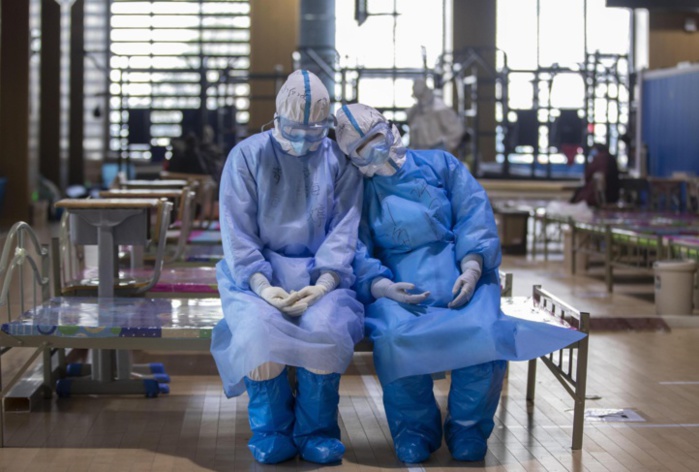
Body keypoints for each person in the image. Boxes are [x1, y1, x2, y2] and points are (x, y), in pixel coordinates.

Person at [335, 103, 588, 463]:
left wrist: (472, 266)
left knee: (485, 332)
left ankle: (468, 427)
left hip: (463, 274)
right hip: (399, 288)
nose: (375, 151)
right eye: (362, 150)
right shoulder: (360, 192)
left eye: (376, 138)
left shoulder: (441, 164)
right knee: (394, 339)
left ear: (389, 129)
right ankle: (414, 430)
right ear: (352, 159)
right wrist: (380, 286)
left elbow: (473, 211)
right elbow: (355, 245)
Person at [210, 70, 365, 465]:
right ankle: (271, 431)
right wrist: (261, 285)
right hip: (255, 276)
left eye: (314, 133)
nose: (302, 142)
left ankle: (317, 432)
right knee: (258, 334)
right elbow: (237, 230)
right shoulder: (247, 157)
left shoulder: (338, 161)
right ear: (277, 118)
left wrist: (326, 282)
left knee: (327, 330)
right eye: (294, 130)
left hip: (322, 277)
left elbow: (344, 229)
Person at [406, 78, 466, 154]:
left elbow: (457, 130)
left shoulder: (440, 109)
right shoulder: (416, 110)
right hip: (419, 151)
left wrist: (444, 145)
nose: (420, 99)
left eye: (421, 96)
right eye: (417, 97)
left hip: (435, 152)